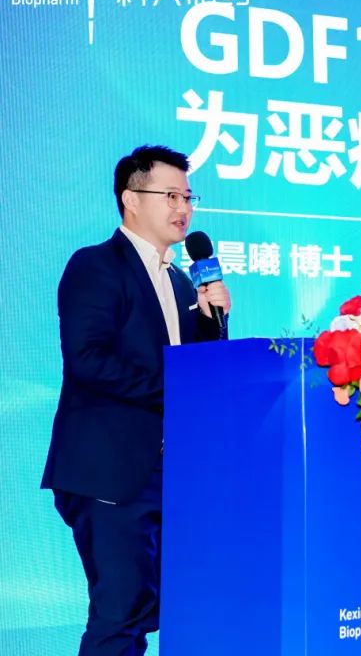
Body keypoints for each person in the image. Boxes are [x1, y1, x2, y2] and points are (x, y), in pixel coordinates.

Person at [41, 145, 232, 655]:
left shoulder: (182, 282)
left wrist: (214, 321)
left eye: (188, 197)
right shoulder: (96, 265)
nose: (183, 208)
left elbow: (201, 375)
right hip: (111, 471)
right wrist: (176, 390)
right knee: (120, 612)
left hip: (172, 473)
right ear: (130, 198)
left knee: (159, 608)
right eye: (170, 195)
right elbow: (87, 359)